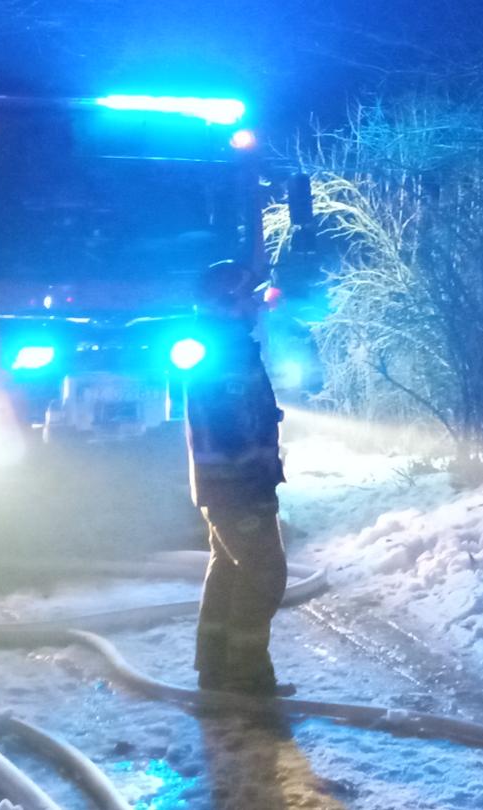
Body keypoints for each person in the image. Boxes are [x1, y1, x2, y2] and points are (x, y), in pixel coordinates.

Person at [187, 259, 293, 697]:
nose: (257, 304)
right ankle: (246, 676)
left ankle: (216, 668)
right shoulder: (225, 353)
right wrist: (255, 477)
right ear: (227, 303)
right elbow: (233, 431)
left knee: (230, 569)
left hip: (229, 485)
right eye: (248, 296)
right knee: (265, 573)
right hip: (239, 486)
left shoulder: (228, 346)